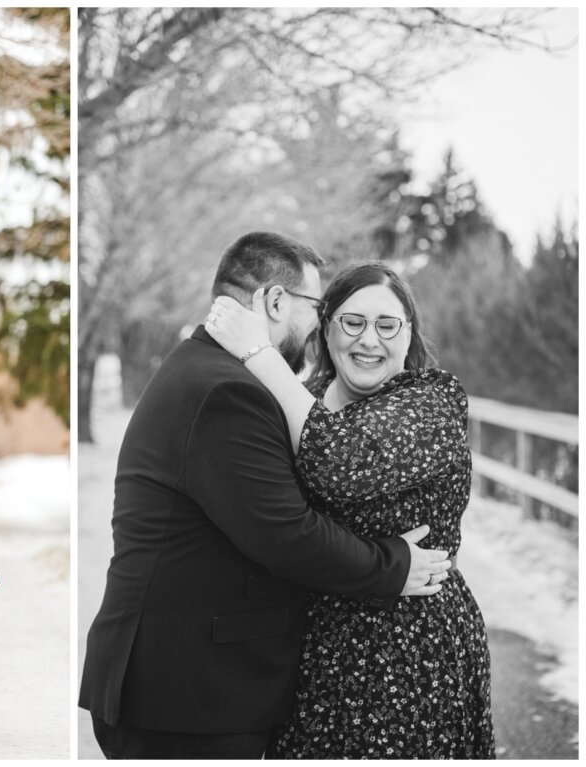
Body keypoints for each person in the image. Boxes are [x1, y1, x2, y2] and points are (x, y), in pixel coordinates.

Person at [79, 232, 452, 760]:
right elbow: (285, 533)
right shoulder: (225, 389)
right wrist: (392, 565)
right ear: (277, 302)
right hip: (185, 697)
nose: (318, 324)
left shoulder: (211, 371)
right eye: (319, 307)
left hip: (189, 692)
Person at [205, 261, 494, 758]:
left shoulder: (431, 402)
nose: (369, 341)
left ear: (408, 336)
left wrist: (258, 352)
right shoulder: (304, 397)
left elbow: (342, 464)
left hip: (408, 651)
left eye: (387, 326)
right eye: (352, 322)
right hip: (310, 646)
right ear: (326, 327)